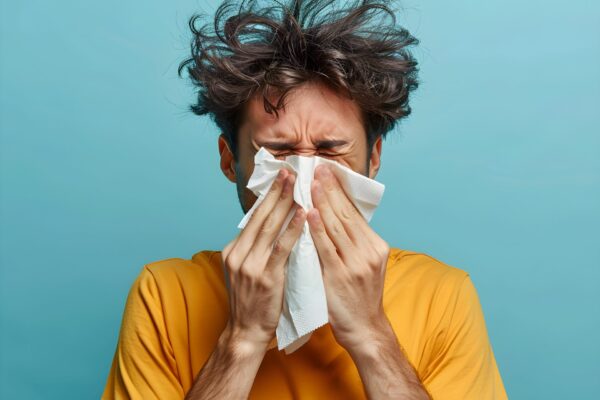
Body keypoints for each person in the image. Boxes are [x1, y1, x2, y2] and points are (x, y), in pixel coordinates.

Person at [101, 1, 508, 398]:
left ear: (373, 159)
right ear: (230, 161)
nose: (305, 181)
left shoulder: (441, 295)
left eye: (330, 150)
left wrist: (371, 334)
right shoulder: (166, 294)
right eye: (278, 152)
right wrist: (242, 340)